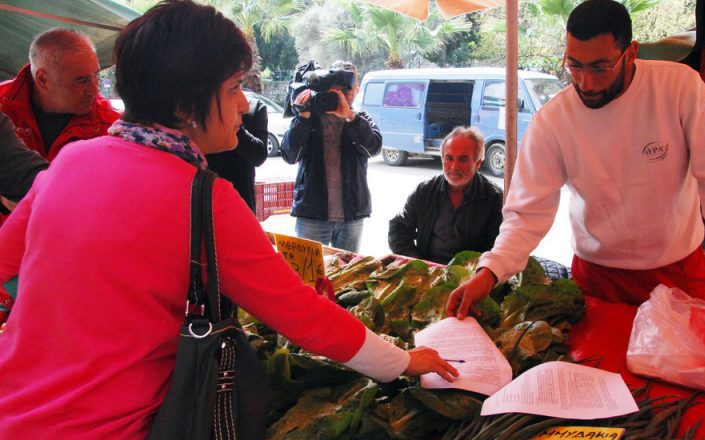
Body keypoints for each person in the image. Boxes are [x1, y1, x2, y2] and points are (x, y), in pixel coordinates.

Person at [0, 1, 456, 437]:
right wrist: (403, 361)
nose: (243, 105)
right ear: (184, 105)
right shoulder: (202, 196)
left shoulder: (70, 160)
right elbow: (304, 316)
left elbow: (6, 264)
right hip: (107, 427)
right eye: (235, 87)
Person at [446, 0, 705, 351]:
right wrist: (489, 272)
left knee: (678, 386)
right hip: (596, 278)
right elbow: (525, 216)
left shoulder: (680, 89)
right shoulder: (553, 121)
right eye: (574, 66)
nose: (586, 83)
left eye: (600, 67)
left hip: (678, 273)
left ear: (631, 52)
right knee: (600, 380)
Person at [280, 60, 381, 252]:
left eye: (349, 89)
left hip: (351, 216)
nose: (344, 94)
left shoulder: (360, 118)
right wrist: (303, 118)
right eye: (338, 89)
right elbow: (289, 155)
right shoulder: (309, 116)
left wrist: (350, 117)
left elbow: (373, 148)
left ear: (357, 88)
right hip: (312, 215)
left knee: (347, 275)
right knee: (309, 278)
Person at [0, 27, 119, 161]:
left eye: (96, 76)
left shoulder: (111, 126)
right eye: (81, 81)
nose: (94, 90)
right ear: (43, 79)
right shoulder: (2, 106)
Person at [388, 126, 503, 264]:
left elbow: (498, 249)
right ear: (442, 159)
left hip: (471, 276)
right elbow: (398, 229)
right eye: (449, 158)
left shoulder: (494, 198)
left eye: (463, 159)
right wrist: (417, 263)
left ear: (478, 163)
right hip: (428, 273)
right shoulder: (425, 191)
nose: (454, 167)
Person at [206, 89, 270, 212]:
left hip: (241, 202)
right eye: (234, 85)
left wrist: (233, 124)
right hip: (203, 205)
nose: (244, 105)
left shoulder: (254, 107)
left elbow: (259, 156)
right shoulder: (199, 112)